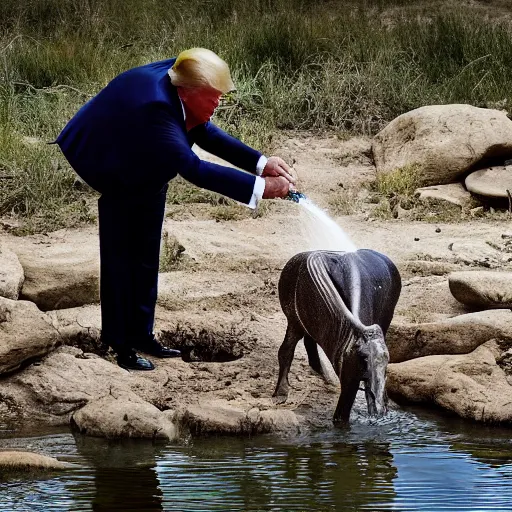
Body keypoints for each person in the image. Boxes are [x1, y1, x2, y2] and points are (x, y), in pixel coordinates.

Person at [54, 48, 295, 371]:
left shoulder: (184, 76)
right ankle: (120, 346)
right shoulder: (157, 108)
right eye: (213, 96)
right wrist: (262, 188)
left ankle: (141, 334)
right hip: (108, 156)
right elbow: (193, 168)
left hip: (144, 157)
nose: (218, 103)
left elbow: (202, 130)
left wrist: (261, 163)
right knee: (121, 257)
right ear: (188, 91)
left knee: (146, 253)